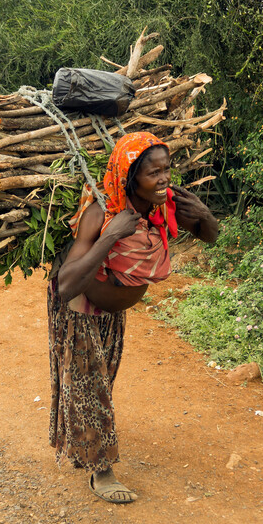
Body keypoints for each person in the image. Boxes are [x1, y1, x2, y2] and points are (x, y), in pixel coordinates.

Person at [47, 132, 218, 504]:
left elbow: (209, 237)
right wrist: (110, 237)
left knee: (100, 382)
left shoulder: (161, 207)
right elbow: (66, 284)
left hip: (112, 312)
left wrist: (205, 215)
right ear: (129, 177)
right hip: (79, 307)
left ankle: (81, 446)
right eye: (153, 172)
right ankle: (101, 471)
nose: (164, 179)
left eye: (167, 169)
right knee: (89, 385)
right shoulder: (101, 212)